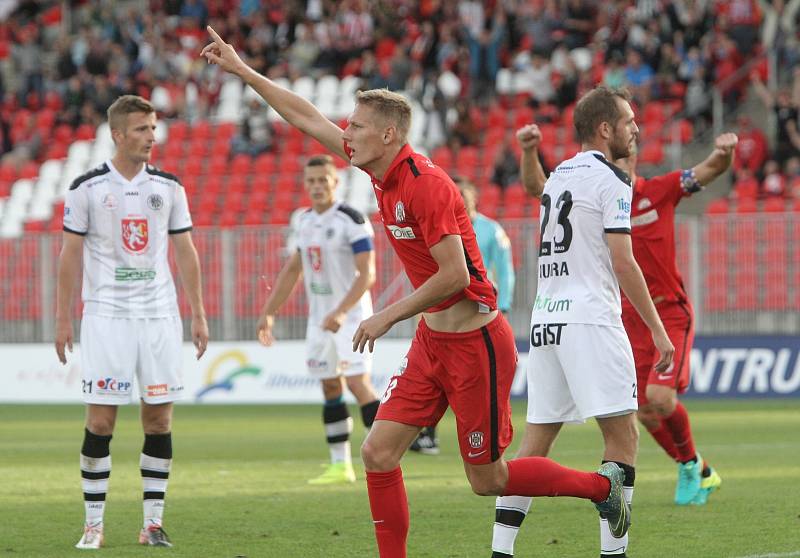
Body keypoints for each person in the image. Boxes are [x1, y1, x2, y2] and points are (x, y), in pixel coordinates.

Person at [203, 27, 633, 558]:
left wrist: (387, 315)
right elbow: (305, 116)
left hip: (477, 345)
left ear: (387, 136)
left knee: (489, 479)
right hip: (433, 343)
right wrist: (243, 71)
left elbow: (453, 276)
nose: (347, 133)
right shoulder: (378, 170)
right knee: (378, 452)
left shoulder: (427, 185)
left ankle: (600, 488)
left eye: (357, 126)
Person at [491, 88, 675, 558]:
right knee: (622, 436)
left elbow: (535, 188)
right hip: (590, 320)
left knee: (535, 442)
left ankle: (500, 551)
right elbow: (623, 260)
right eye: (629, 121)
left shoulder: (560, 177)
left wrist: (529, 150)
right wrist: (656, 328)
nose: (637, 128)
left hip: (547, 320)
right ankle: (615, 555)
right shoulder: (613, 179)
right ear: (605, 129)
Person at [55, 95, 208, 550]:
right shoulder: (86, 188)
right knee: (101, 422)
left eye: (154, 129)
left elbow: (185, 251)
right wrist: (63, 318)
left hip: (159, 316)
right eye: (141, 129)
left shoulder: (169, 187)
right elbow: (69, 256)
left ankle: (153, 524)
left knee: (159, 421)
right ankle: (93, 524)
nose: (151, 138)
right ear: (118, 135)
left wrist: (198, 311)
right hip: (106, 317)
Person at [256, 154, 381, 485]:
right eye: (310, 181)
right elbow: (293, 270)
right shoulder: (304, 220)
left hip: (351, 317)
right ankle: (341, 465)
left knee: (358, 383)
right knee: (329, 385)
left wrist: (340, 311)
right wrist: (269, 311)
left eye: (322, 180)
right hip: (319, 320)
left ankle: (386, 454)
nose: (316, 186)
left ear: (335, 182)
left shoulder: (352, 219)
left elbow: (367, 274)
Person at [409, 176, 517, 456]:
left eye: (464, 197)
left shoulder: (491, 230)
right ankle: (429, 435)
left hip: (481, 314)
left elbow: (505, 271)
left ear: (471, 200)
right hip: (441, 313)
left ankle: (489, 436)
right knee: (436, 375)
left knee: (472, 383)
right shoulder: (438, 228)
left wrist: (503, 304)